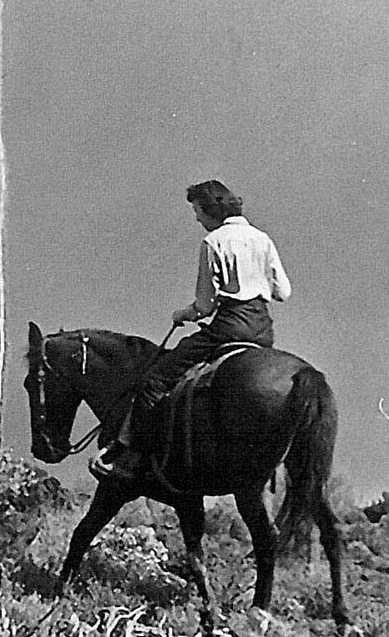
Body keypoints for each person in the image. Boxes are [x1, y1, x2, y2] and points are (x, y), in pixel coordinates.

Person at [90, 179, 291, 486]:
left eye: (197, 211)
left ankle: (132, 459)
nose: (197, 218)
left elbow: (205, 305)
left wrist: (183, 314)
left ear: (211, 210)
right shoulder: (262, 238)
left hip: (228, 326)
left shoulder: (213, 243)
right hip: (262, 332)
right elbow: (283, 292)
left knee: (154, 380)